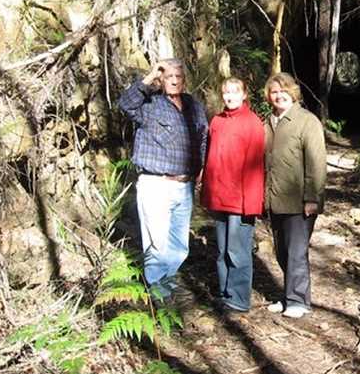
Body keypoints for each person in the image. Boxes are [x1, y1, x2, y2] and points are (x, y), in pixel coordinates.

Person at [118, 58, 208, 301]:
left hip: (185, 185)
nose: (174, 81)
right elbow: (125, 105)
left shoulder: (193, 105)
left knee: (179, 245)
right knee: (156, 244)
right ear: (161, 79)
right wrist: (150, 76)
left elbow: (202, 138)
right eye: (169, 76)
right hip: (156, 184)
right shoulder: (149, 103)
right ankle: (158, 296)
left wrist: (200, 169)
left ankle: (167, 286)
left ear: (185, 80)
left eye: (178, 76)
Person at [263, 72, 326, 319]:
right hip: (274, 199)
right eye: (274, 91)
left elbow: (317, 163)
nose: (279, 95)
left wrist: (312, 197)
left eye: (283, 90)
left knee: (296, 251)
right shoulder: (267, 123)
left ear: (293, 93)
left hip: (300, 201)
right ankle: (289, 294)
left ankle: (299, 301)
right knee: (282, 251)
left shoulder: (306, 121)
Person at [201, 78, 265, 313]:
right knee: (221, 251)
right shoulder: (217, 121)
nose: (230, 96)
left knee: (237, 251)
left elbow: (257, 167)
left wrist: (253, 203)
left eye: (235, 92)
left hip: (241, 201)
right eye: (226, 92)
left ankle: (238, 299)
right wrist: (207, 193)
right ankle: (224, 293)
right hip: (219, 196)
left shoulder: (253, 123)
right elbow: (210, 159)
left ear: (244, 95)